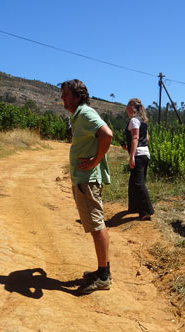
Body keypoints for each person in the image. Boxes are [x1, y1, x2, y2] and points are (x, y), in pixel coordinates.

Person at [61, 79, 113, 294]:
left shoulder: (85, 113)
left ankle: (103, 277)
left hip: (88, 180)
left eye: (65, 94)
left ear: (77, 96)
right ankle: (102, 270)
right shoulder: (78, 115)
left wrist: (94, 161)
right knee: (95, 225)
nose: (62, 98)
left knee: (97, 225)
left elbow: (107, 134)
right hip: (83, 179)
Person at [122, 98, 154, 220]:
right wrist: (128, 147)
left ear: (134, 108)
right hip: (145, 154)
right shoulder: (143, 121)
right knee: (134, 182)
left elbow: (135, 138)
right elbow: (145, 139)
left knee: (138, 183)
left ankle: (147, 211)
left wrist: (131, 156)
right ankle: (134, 207)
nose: (126, 108)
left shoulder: (134, 121)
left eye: (128, 106)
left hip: (138, 155)